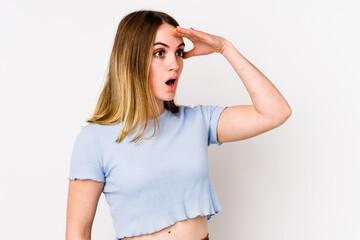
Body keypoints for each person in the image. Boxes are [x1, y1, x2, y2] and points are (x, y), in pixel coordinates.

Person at [65, 10, 292, 240]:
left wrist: (225, 48)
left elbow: (275, 112)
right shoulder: (94, 140)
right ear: (131, 59)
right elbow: (78, 232)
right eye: (159, 53)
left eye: (179, 52)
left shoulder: (198, 122)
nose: (174, 64)